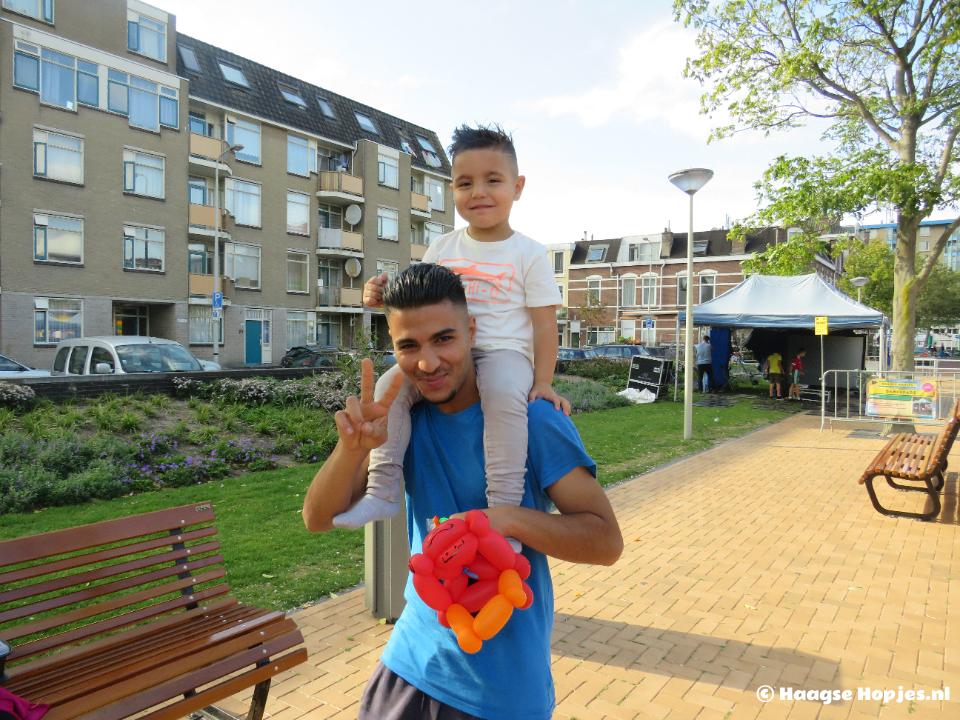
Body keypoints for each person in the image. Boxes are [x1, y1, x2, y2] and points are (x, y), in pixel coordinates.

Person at [302, 264, 623, 720]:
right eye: (409, 346)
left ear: (471, 331)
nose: (428, 363)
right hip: (409, 666)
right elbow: (317, 519)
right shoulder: (404, 423)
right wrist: (351, 450)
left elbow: (605, 542)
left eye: (444, 339)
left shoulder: (535, 421)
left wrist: (504, 519)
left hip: (503, 694)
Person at [333, 124, 568, 549]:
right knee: (389, 387)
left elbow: (544, 324)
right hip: (446, 354)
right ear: (452, 190)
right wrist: (381, 295)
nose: (478, 192)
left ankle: (504, 510)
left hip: (504, 355)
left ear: (517, 187)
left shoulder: (529, 253)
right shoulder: (443, 248)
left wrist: (544, 381)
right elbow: (416, 302)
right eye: (464, 183)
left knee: (502, 395)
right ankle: (382, 490)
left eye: (492, 180)